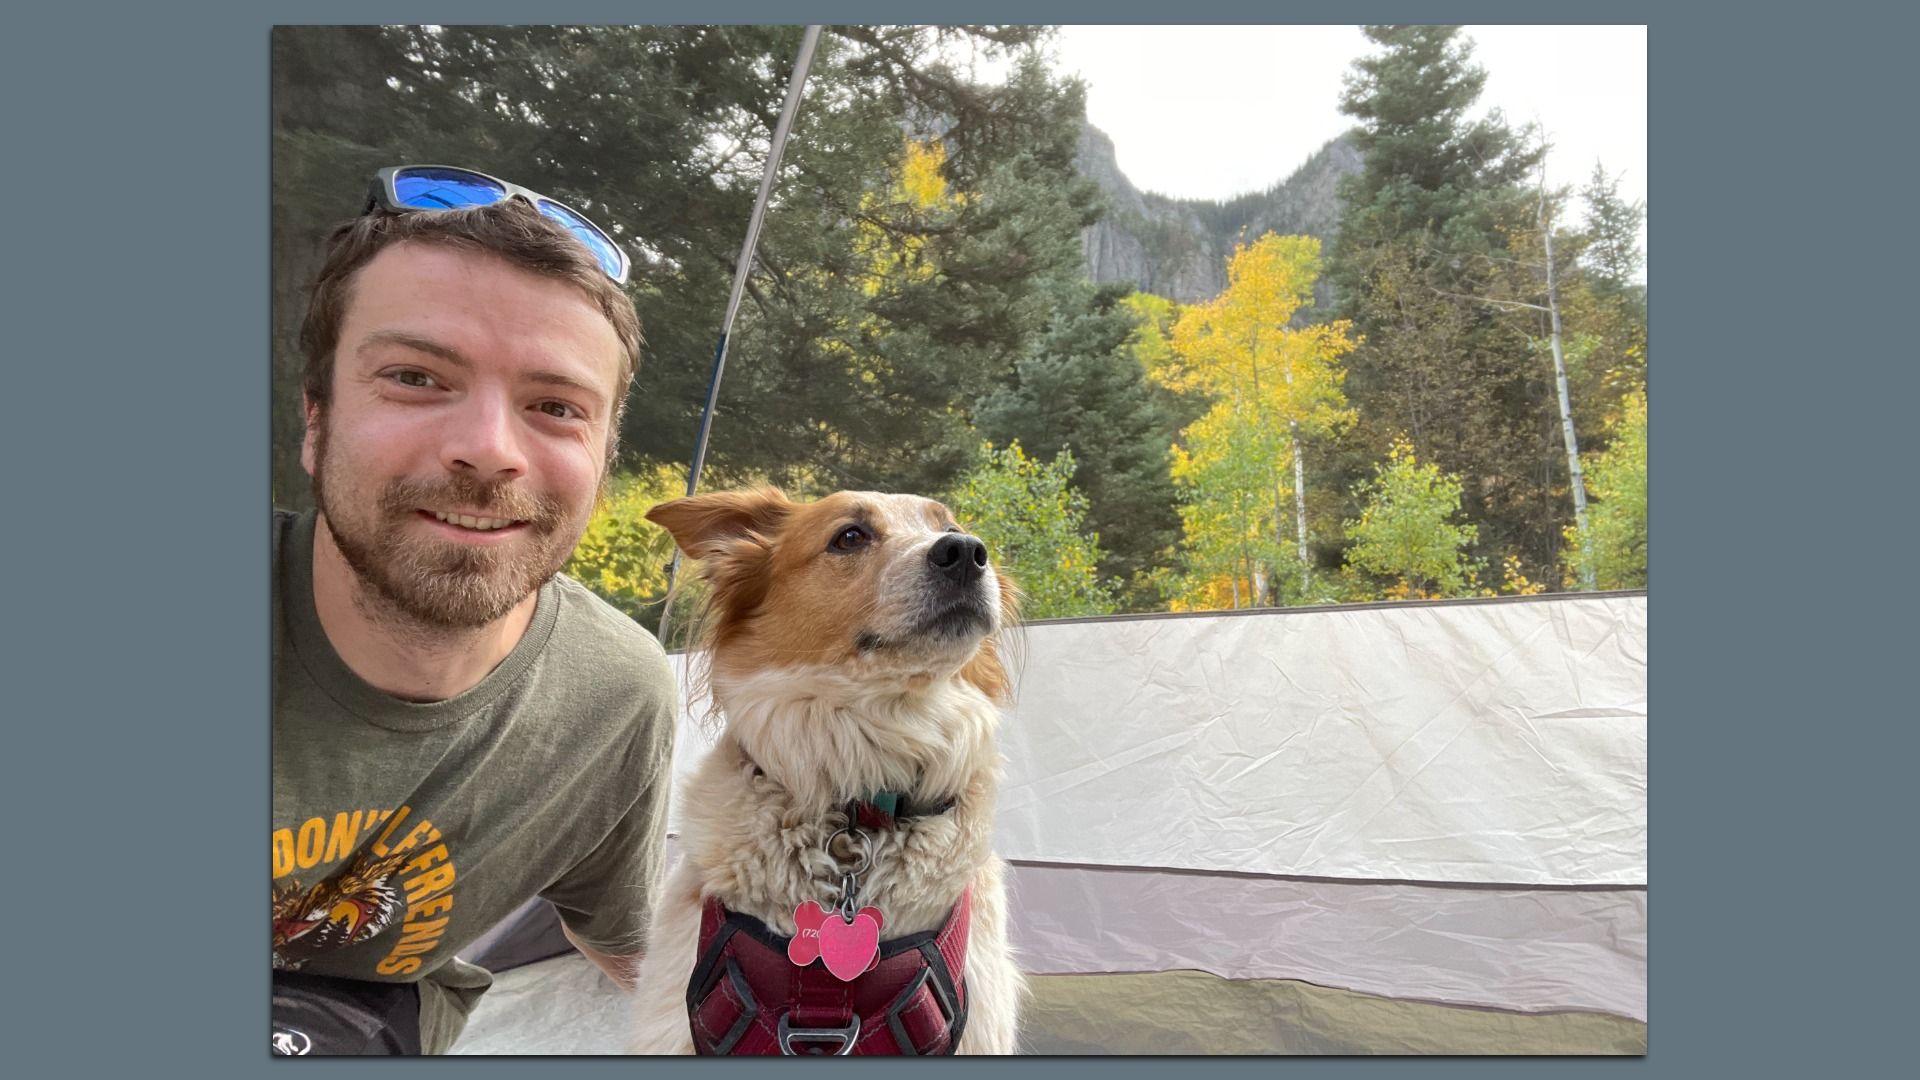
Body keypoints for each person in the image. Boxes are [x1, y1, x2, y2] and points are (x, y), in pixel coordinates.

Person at [271, 166, 676, 1055]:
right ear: (315, 419)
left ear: (603, 459)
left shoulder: (616, 696)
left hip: (362, 1019)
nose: (489, 451)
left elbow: (628, 944)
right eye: (417, 377)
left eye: (555, 407)